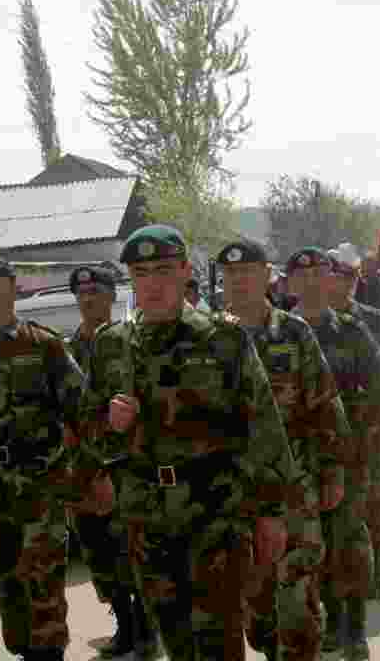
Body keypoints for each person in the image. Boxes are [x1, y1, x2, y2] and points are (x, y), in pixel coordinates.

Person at [94, 225, 296, 661]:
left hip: (214, 516)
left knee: (219, 643)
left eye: (164, 269)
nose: (153, 282)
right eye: (141, 272)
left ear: (185, 271)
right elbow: (89, 430)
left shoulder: (223, 339)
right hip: (148, 519)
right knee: (176, 643)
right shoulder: (112, 345)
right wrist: (108, 423)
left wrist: (272, 513)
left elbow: (262, 426)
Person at [0, 256, 109, 661]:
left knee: (43, 579)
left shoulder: (43, 345)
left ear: (13, 288)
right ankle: (24, 650)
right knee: (6, 582)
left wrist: (89, 477)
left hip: (41, 482)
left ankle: (48, 653)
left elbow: (85, 413)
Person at [217, 238, 350, 661]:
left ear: (266, 277)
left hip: (294, 486)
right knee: (256, 611)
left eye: (247, 273)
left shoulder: (294, 333)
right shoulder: (207, 338)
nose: (238, 282)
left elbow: (324, 403)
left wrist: (332, 470)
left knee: (297, 602)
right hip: (233, 494)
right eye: (230, 275)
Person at [287, 246, 380, 661]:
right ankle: (334, 620)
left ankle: (354, 628)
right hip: (300, 464)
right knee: (315, 548)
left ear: (333, 280)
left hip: (352, 454)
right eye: (301, 276)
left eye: (320, 275)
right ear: (289, 283)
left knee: (351, 544)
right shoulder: (278, 334)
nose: (311, 283)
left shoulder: (353, 330)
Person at [66, 266, 160, 659]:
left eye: (97, 291)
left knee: (136, 551)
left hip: (127, 468)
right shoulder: (66, 350)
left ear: (111, 295)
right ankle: (124, 623)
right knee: (100, 554)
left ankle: (147, 630)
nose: (89, 299)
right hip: (83, 470)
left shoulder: (131, 342)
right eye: (83, 293)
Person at [327, 243, 380, 601]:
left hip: (369, 432)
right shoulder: (300, 321)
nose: (346, 283)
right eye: (339, 276)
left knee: (374, 502)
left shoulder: (373, 320)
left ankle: (377, 563)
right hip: (323, 435)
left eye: (351, 276)